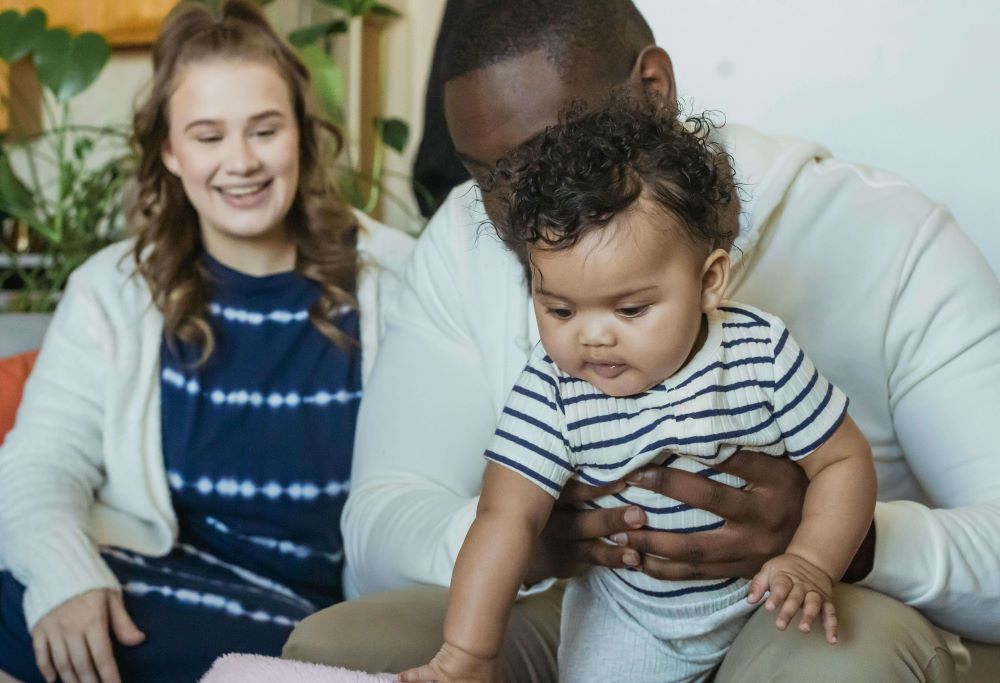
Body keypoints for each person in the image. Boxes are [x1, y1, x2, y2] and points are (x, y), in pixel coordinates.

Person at [284, 1, 1000, 681]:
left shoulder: (889, 238)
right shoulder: (472, 238)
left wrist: (841, 542)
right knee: (334, 650)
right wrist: (535, 544)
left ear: (653, 88)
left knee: (833, 657)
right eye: (484, 176)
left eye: (545, 154)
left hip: (785, 613)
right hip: (609, 610)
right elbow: (378, 520)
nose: (511, 209)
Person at [0, 2, 412, 682]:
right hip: (162, 587)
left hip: (326, 624)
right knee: (32, 590)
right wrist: (67, 578)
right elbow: (38, 462)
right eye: (208, 135)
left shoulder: (398, 281)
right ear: (169, 149)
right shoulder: (113, 289)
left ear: (302, 136)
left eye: (264, 129)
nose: (241, 162)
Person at [401, 102, 877, 683]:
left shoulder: (759, 352)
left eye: (630, 309)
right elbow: (505, 519)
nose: (594, 335)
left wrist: (810, 561)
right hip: (632, 623)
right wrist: (469, 654)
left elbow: (843, 460)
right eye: (559, 309)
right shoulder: (553, 390)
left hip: (763, 601)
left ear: (708, 282)